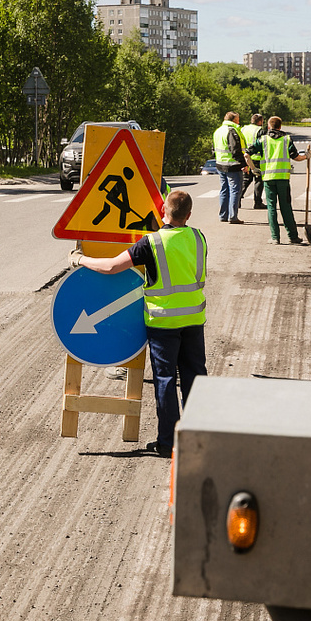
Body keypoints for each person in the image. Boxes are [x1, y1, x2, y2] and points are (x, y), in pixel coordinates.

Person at [70, 190, 208, 457]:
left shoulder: (152, 243)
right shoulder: (199, 238)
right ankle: (197, 441)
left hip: (163, 324)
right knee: (195, 380)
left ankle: (168, 444)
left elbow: (111, 267)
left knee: (166, 381)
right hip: (194, 320)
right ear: (189, 215)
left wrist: (79, 259)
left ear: (161, 212)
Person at [247, 116, 307, 245]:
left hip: (268, 179)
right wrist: (307, 156)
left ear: (269, 126)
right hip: (283, 179)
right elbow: (296, 157)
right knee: (286, 207)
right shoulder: (286, 140)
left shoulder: (262, 140)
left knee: (271, 208)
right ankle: (293, 236)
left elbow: (247, 154)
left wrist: (253, 168)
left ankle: (275, 237)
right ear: (280, 126)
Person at [212, 112, 249, 224]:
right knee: (235, 190)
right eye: (238, 119)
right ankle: (233, 216)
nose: (239, 121)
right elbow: (235, 150)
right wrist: (244, 164)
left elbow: (213, 149)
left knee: (224, 190)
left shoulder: (218, 131)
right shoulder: (232, 131)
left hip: (220, 164)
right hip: (232, 165)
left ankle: (223, 215)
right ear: (234, 120)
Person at [239, 114, 266, 210]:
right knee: (258, 181)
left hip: (245, 158)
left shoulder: (243, 129)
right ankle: (257, 202)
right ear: (260, 121)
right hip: (257, 159)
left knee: (245, 180)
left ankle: (237, 201)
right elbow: (262, 145)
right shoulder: (260, 131)